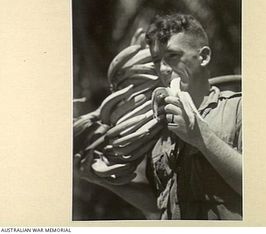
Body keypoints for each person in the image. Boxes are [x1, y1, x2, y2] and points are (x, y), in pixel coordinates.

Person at [74, 13, 242, 220]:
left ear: (204, 56)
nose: (163, 69)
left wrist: (201, 137)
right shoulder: (155, 126)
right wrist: (101, 180)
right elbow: (158, 201)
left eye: (172, 56)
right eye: (156, 60)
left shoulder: (237, 109)